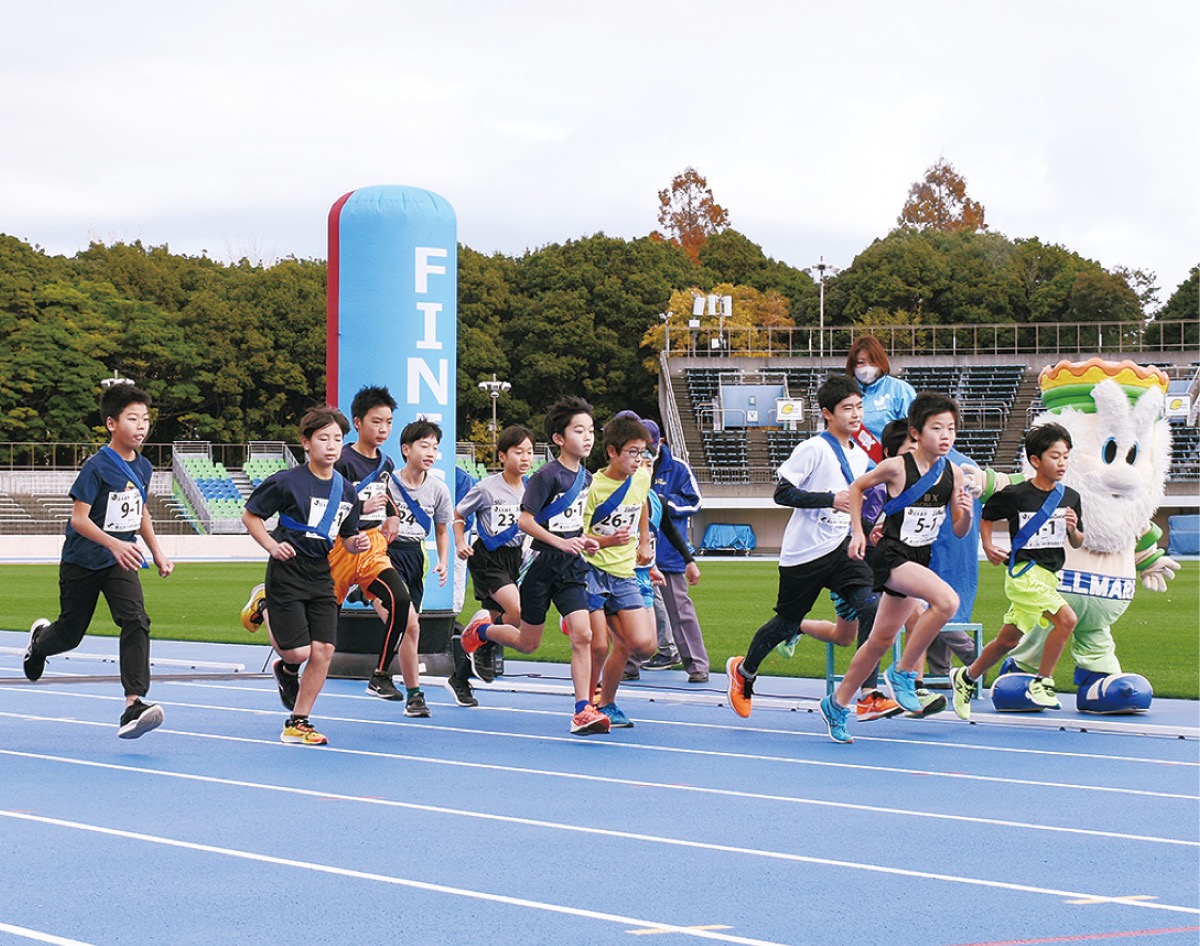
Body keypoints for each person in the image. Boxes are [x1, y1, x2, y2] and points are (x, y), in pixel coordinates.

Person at [820, 391, 974, 743]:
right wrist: (857, 531)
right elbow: (858, 487)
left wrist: (963, 510)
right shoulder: (896, 466)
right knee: (946, 602)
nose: (946, 435)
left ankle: (837, 703)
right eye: (937, 428)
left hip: (919, 558)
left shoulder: (953, 473)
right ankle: (904, 672)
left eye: (951, 428)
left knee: (879, 639)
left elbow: (960, 528)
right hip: (892, 557)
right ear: (917, 433)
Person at [25, 382, 174, 739]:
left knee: (136, 619)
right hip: (83, 560)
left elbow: (141, 514)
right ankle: (40, 642)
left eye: (146, 419)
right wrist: (113, 545)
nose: (141, 426)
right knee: (70, 634)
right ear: (111, 423)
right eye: (133, 419)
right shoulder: (96, 466)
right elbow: (79, 519)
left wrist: (156, 550)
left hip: (118, 562)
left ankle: (133, 704)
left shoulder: (143, 467)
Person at [725, 375, 878, 721]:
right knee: (786, 622)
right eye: (847, 408)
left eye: (859, 407)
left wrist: (868, 529)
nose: (855, 414)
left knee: (872, 605)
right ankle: (744, 672)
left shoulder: (860, 455)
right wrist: (829, 499)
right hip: (805, 554)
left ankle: (869, 692)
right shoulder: (813, 448)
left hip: (841, 549)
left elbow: (854, 503)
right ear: (827, 413)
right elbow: (782, 493)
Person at [460, 396, 609, 735]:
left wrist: (583, 539)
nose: (587, 438)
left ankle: (581, 709)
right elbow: (526, 522)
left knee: (583, 634)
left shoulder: (585, 478)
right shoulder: (546, 476)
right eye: (579, 431)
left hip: (571, 565)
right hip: (540, 564)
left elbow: (570, 524)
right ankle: (481, 631)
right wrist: (561, 542)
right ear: (559, 438)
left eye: (590, 431)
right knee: (528, 643)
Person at [242, 406, 364, 746]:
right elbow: (250, 516)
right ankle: (263, 602)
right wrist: (271, 545)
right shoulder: (286, 481)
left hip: (320, 573)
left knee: (324, 649)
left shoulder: (348, 492)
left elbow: (348, 539)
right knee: (296, 653)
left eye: (337, 439)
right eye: (323, 438)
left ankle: (298, 721)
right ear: (305, 443)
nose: (331, 445)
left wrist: (359, 543)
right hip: (287, 570)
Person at [950, 423, 1084, 719]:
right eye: (1054, 456)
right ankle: (1043, 683)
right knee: (1067, 619)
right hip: (1024, 575)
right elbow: (987, 514)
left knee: (1008, 641)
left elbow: (1078, 541)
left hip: (1049, 577)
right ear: (1035, 460)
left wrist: (1073, 529)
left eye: (1065, 456)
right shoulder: (1017, 494)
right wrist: (986, 546)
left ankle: (966, 677)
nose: (1061, 463)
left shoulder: (1070, 497)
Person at [451, 424, 536, 706]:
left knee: (499, 619)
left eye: (529, 452)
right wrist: (460, 541)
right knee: (518, 612)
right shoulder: (487, 488)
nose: (525, 458)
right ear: (502, 456)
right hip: (487, 557)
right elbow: (459, 514)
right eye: (518, 452)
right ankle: (481, 634)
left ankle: (460, 677)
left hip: (513, 559)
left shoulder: (532, 490)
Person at [582, 414, 658, 728]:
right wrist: (607, 540)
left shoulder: (640, 476)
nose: (638, 459)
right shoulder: (592, 487)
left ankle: (608, 700)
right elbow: (578, 536)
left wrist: (643, 541)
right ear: (612, 451)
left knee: (642, 644)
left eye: (643, 452)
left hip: (624, 571)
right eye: (632, 452)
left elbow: (640, 503)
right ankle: (587, 706)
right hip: (591, 571)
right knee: (599, 646)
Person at [382, 419, 454, 718]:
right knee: (410, 624)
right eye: (424, 445)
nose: (431, 452)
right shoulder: (385, 483)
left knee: (409, 630)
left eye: (435, 448)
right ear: (406, 449)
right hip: (384, 556)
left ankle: (413, 697)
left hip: (415, 557)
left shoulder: (437, 489)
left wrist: (442, 560)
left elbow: (441, 529)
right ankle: (405, 688)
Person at [647, 423, 709, 682]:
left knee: (681, 611)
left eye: (649, 447)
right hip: (632, 555)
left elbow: (695, 502)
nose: (645, 453)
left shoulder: (678, 467)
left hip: (668, 552)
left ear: (659, 442)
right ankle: (627, 664)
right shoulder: (628, 467)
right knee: (628, 610)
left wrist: (663, 503)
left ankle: (697, 666)